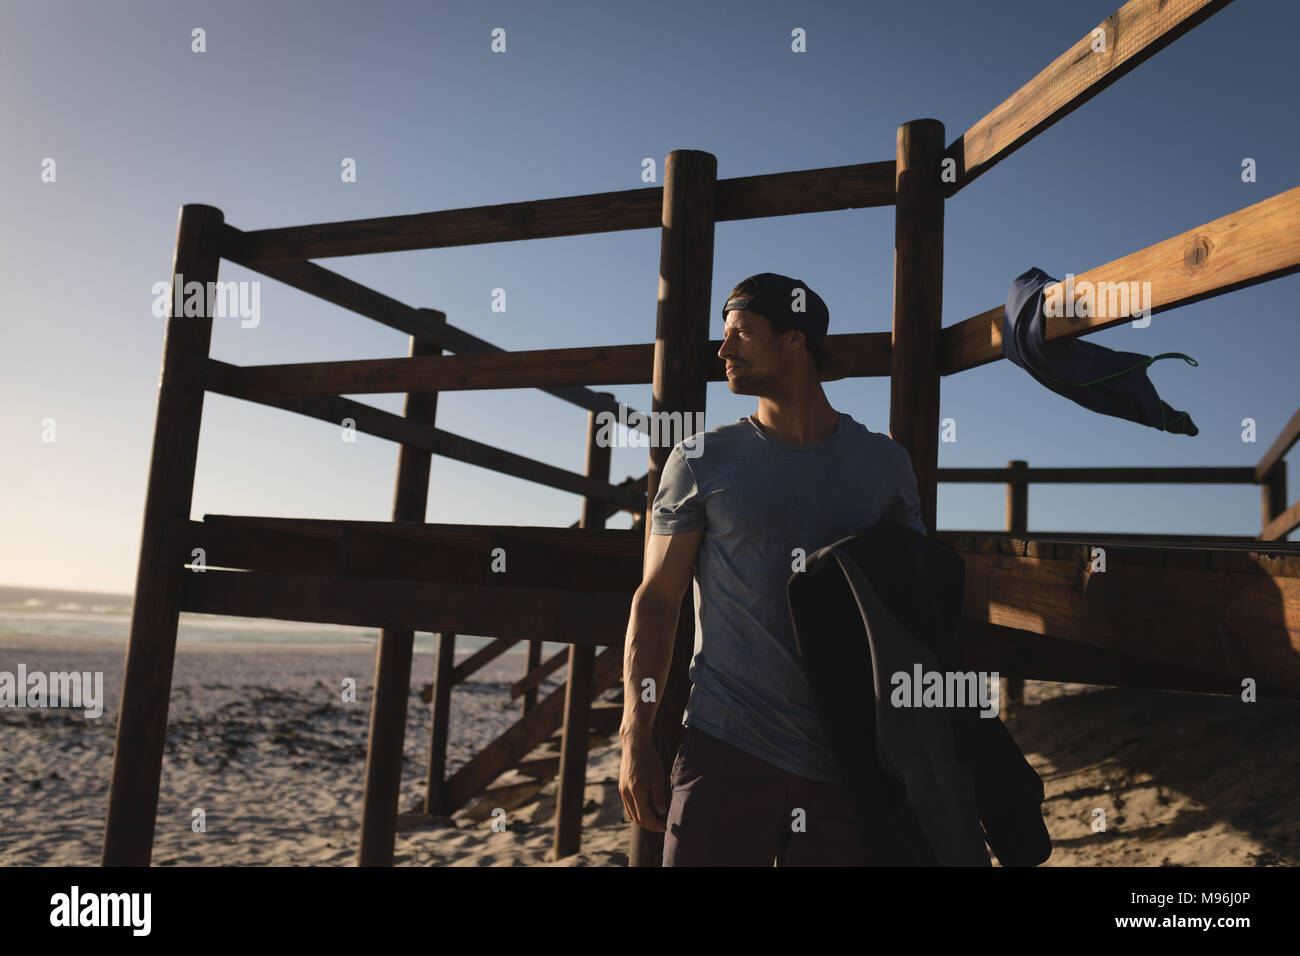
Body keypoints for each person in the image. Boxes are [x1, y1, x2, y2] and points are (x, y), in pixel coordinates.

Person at [617, 272, 928, 866]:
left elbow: (914, 609)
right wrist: (637, 732)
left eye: (741, 333)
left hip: (849, 761)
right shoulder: (701, 459)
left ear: (795, 340)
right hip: (723, 753)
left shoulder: (884, 466)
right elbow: (656, 602)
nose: (723, 349)